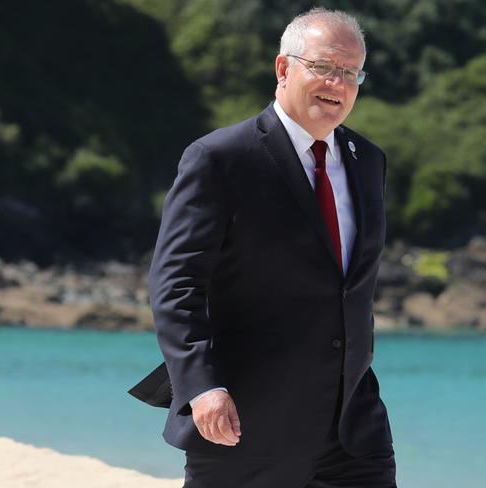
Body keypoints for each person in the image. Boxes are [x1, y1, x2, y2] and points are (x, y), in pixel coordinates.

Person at [131, 7, 396, 487]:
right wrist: (202, 387)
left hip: (353, 427)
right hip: (242, 422)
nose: (337, 83)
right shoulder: (221, 158)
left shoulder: (367, 161)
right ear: (283, 68)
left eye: (350, 73)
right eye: (323, 67)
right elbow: (175, 283)